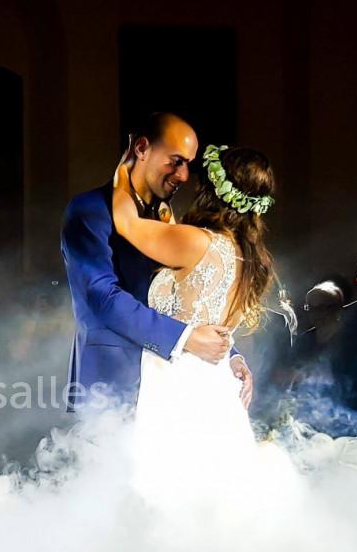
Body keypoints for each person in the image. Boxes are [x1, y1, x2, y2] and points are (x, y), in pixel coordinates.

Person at [60, 113, 252, 414]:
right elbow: (101, 297)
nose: (184, 175)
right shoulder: (90, 210)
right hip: (114, 385)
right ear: (141, 148)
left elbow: (191, 299)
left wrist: (230, 354)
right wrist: (185, 338)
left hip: (174, 387)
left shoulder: (167, 219)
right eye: (175, 161)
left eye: (188, 164)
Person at [110, 142, 275, 488]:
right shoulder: (253, 259)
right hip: (216, 392)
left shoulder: (197, 242)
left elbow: (125, 223)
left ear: (212, 188)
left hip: (180, 395)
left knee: (173, 500)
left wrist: (129, 169)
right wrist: (235, 357)